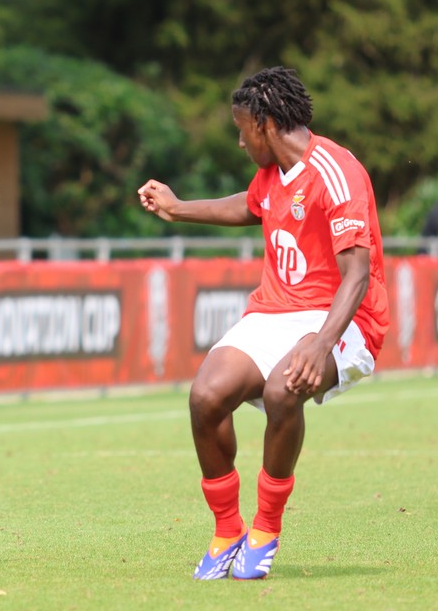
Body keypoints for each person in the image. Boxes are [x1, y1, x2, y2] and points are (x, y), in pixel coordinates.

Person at [138, 66, 389, 580]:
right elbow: (248, 206)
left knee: (282, 390)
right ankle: (227, 530)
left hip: (343, 318)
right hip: (273, 312)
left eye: (241, 130)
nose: (239, 141)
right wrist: (178, 208)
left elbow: (358, 275)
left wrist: (321, 344)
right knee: (206, 395)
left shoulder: (336, 171)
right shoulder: (271, 173)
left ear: (266, 124)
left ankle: (265, 529)